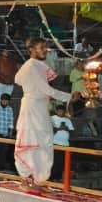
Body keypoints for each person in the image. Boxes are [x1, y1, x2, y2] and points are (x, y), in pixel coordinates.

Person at [14, 38, 80, 189]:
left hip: (41, 108)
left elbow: (43, 90)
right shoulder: (30, 66)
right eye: (41, 47)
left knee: (45, 142)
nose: (45, 50)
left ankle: (38, 179)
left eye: (46, 48)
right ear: (31, 49)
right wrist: (69, 96)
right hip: (31, 108)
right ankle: (25, 179)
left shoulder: (38, 65)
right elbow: (46, 90)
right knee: (30, 141)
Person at [0, 93, 15, 169]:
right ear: (1, 100)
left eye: (6, 100)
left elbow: (11, 121)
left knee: (4, 150)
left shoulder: (10, 109)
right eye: (3, 100)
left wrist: (10, 132)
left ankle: (1, 166)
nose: (5, 101)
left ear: (8, 101)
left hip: (6, 133)